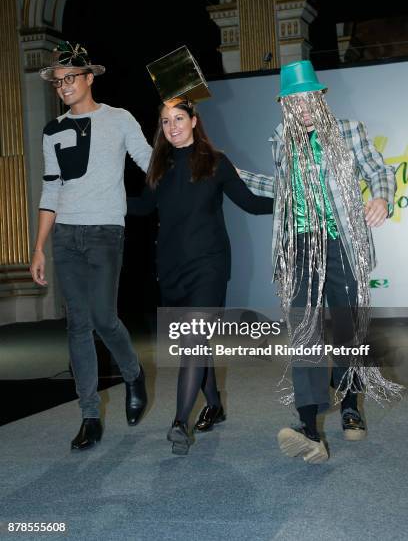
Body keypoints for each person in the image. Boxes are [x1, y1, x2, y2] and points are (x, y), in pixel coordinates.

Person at [239, 60, 400, 463]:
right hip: (300, 248)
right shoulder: (280, 139)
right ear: (285, 105)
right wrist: (225, 171)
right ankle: (308, 426)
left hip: (341, 242)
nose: (304, 107)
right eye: (295, 100)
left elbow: (378, 170)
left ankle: (349, 404)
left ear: (321, 97)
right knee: (304, 333)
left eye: (309, 97)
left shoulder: (348, 131)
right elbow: (280, 189)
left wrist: (380, 195)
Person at [128, 96, 274, 455]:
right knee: (195, 342)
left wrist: (294, 200)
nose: (173, 126)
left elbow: (252, 204)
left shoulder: (215, 162)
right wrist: (99, 198)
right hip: (171, 268)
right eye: (165, 121)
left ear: (194, 121)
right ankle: (215, 404)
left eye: (179, 118)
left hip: (209, 265)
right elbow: (143, 207)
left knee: (193, 341)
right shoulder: (159, 166)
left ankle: (180, 422)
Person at [30, 41, 152, 450]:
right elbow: (51, 190)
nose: (63, 86)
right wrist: (38, 248)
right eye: (57, 81)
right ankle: (89, 416)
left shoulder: (118, 119)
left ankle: (133, 373)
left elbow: (148, 160)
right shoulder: (53, 130)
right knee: (77, 324)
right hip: (65, 235)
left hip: (104, 233)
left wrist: (185, 151)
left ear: (89, 78)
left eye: (70, 78)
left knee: (103, 317)